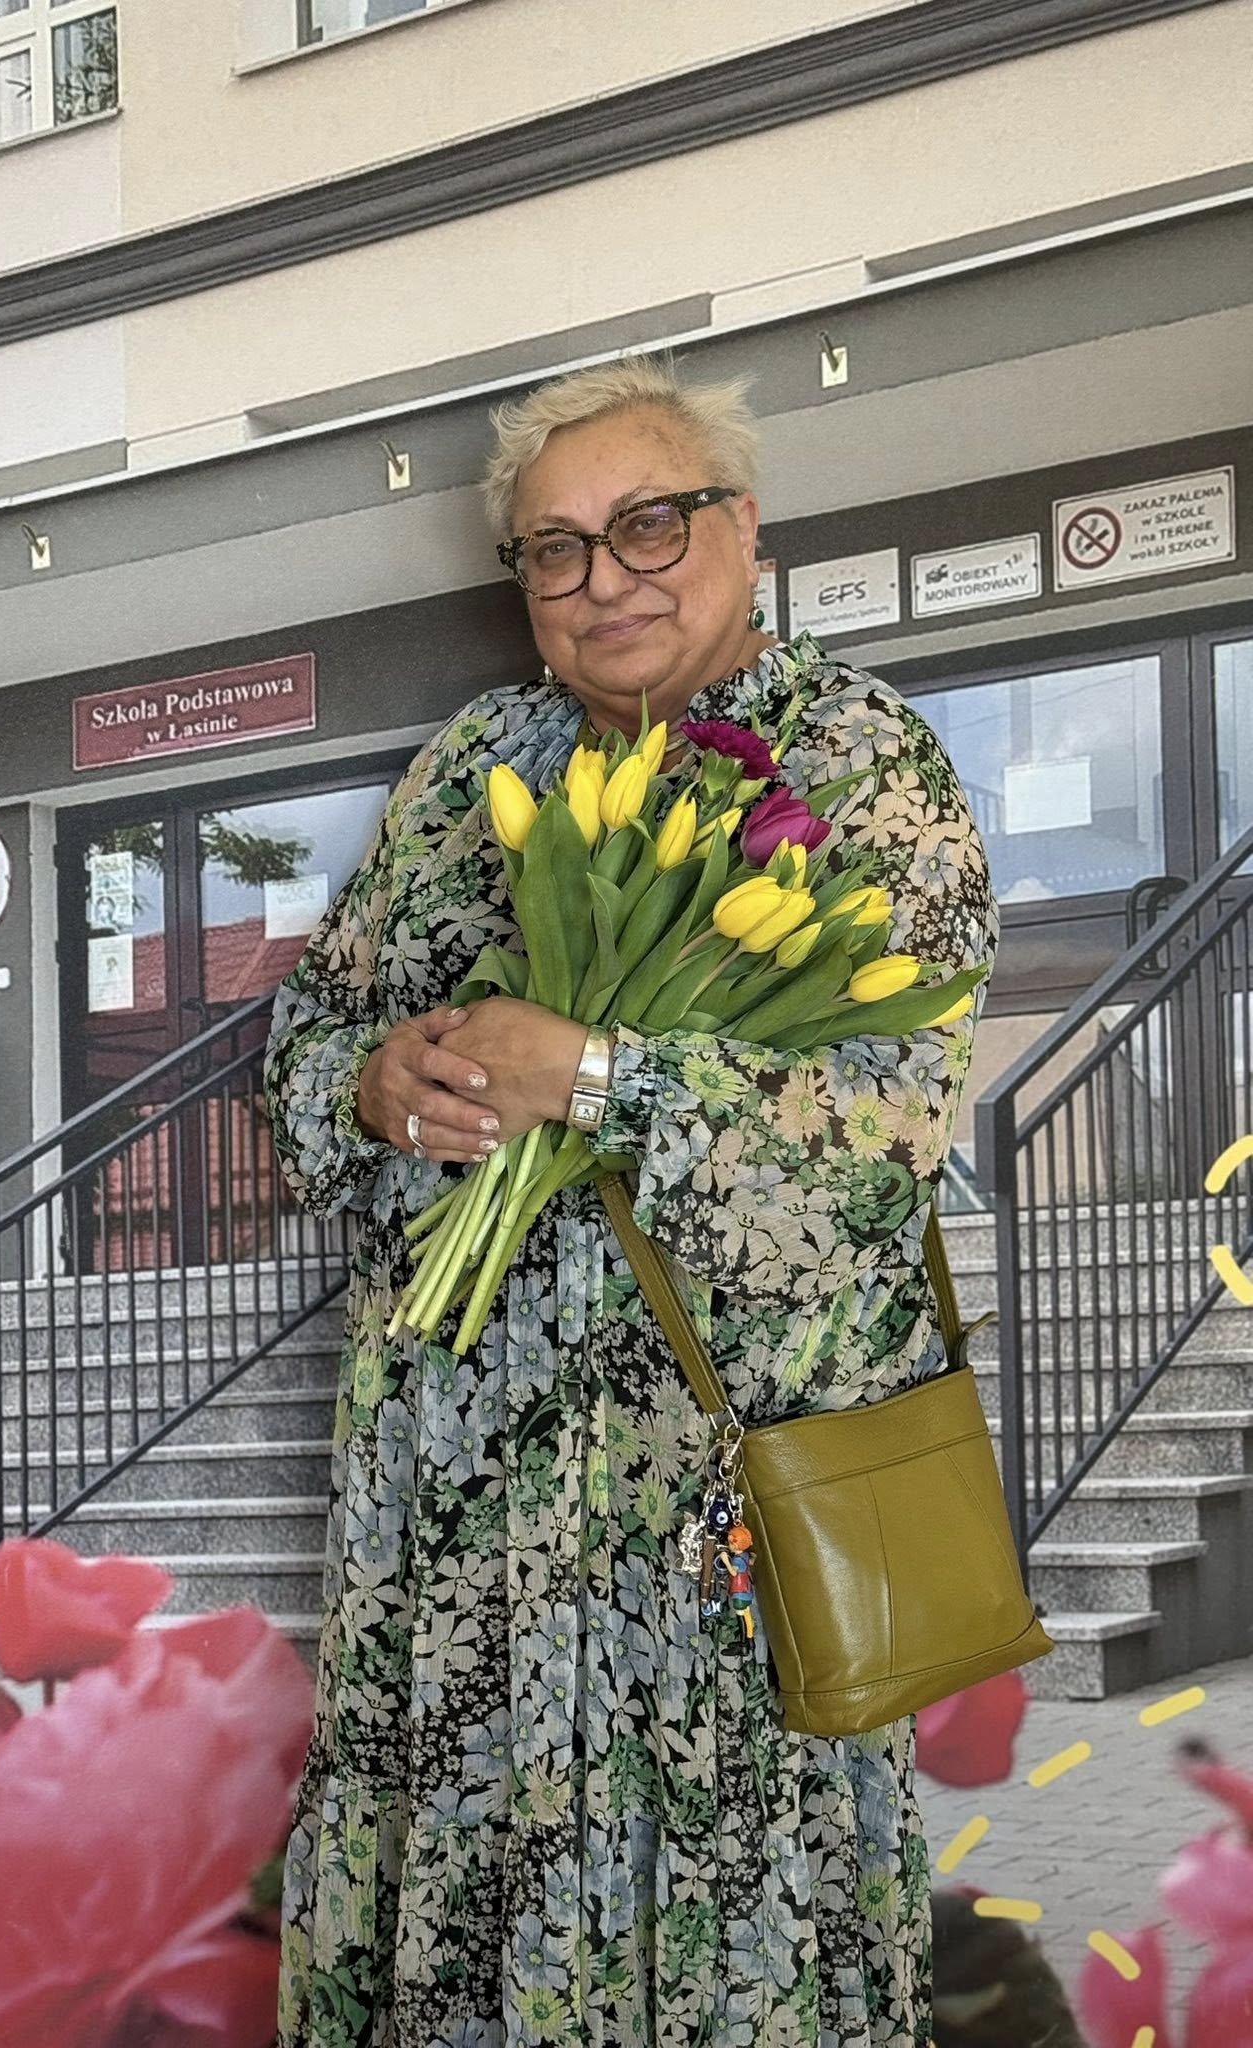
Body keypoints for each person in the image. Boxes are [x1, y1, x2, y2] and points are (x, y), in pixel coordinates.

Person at [267, 352, 999, 2048]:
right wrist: (371, 1085)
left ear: (746, 528)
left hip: (722, 1534)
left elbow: (877, 1131)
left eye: (650, 523)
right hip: (461, 1534)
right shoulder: (474, 767)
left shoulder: (859, 764)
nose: (606, 578)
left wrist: (595, 1079)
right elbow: (312, 1035)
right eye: (557, 547)